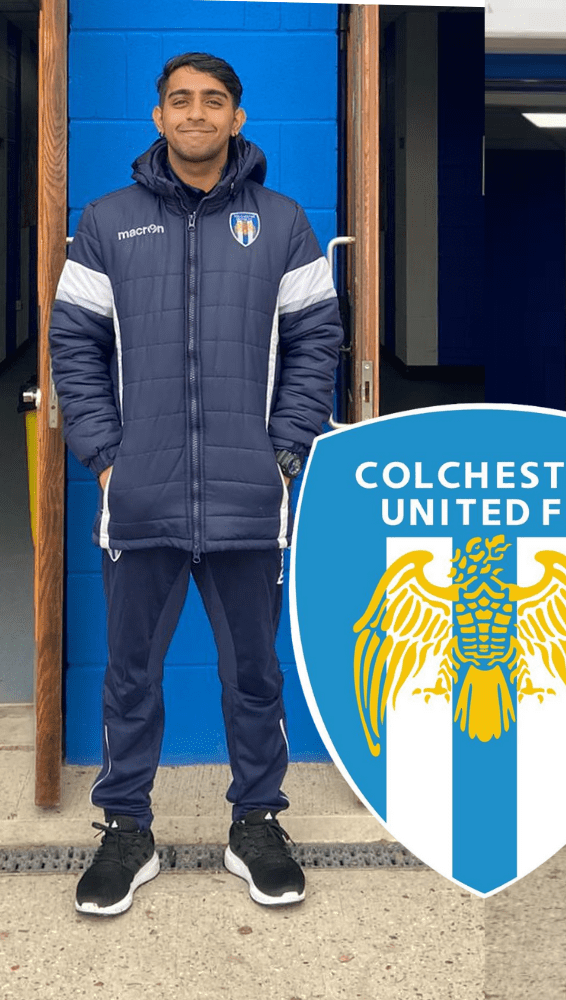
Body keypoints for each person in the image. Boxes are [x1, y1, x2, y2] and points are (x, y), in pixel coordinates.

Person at [49, 52, 343, 916]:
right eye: (180, 101)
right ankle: (125, 832)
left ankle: (256, 824)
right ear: (158, 117)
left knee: (254, 673)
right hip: (138, 497)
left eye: (214, 102)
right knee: (130, 674)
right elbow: (74, 347)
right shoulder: (104, 223)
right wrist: (107, 454)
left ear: (237, 119)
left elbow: (316, 346)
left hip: (250, 497)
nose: (196, 114)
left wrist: (283, 451)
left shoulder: (285, 224)